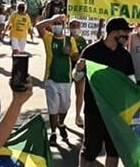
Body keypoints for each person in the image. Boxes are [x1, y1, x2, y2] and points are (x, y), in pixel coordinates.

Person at [78, 17, 134, 167]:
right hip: (94, 111)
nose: (127, 36)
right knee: (90, 150)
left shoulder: (125, 56)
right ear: (114, 32)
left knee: (114, 151)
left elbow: (131, 83)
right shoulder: (91, 51)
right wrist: (78, 69)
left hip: (116, 112)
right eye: (125, 32)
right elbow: (77, 78)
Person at [36, 14, 79, 145]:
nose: (58, 25)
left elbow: (76, 56)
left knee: (64, 106)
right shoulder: (48, 38)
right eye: (56, 24)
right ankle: (53, 133)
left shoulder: (69, 39)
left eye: (60, 23)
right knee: (53, 108)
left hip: (66, 79)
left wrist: (70, 53)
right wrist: (53, 19)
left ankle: (61, 123)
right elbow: (38, 26)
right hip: (51, 79)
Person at [69, 19, 89, 128]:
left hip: (79, 71)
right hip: (67, 70)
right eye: (73, 26)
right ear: (69, 27)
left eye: (77, 26)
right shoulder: (66, 40)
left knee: (80, 93)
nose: (75, 28)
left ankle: (77, 116)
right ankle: (61, 116)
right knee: (65, 95)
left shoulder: (83, 41)